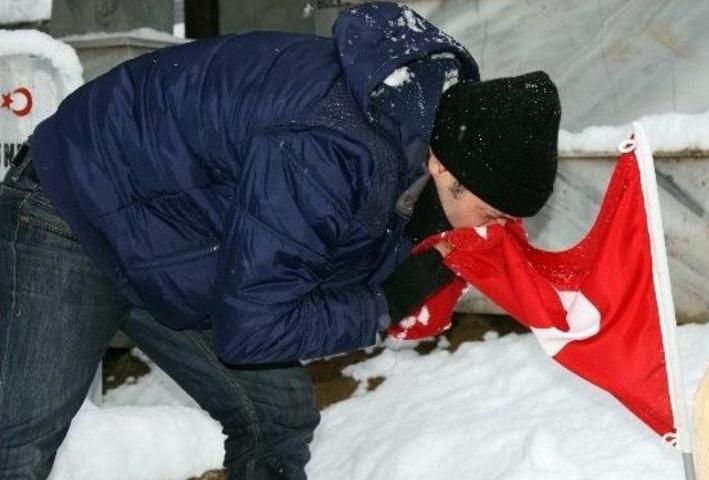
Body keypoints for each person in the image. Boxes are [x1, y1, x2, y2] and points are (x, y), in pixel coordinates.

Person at [0, 2, 561, 479]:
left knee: (277, 415)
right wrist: (384, 302)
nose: (489, 230)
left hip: (173, 234)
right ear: (444, 166)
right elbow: (252, 330)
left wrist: (412, 241)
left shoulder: (421, 127)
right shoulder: (327, 148)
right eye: (488, 213)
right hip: (74, 204)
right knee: (21, 438)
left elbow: (321, 243)